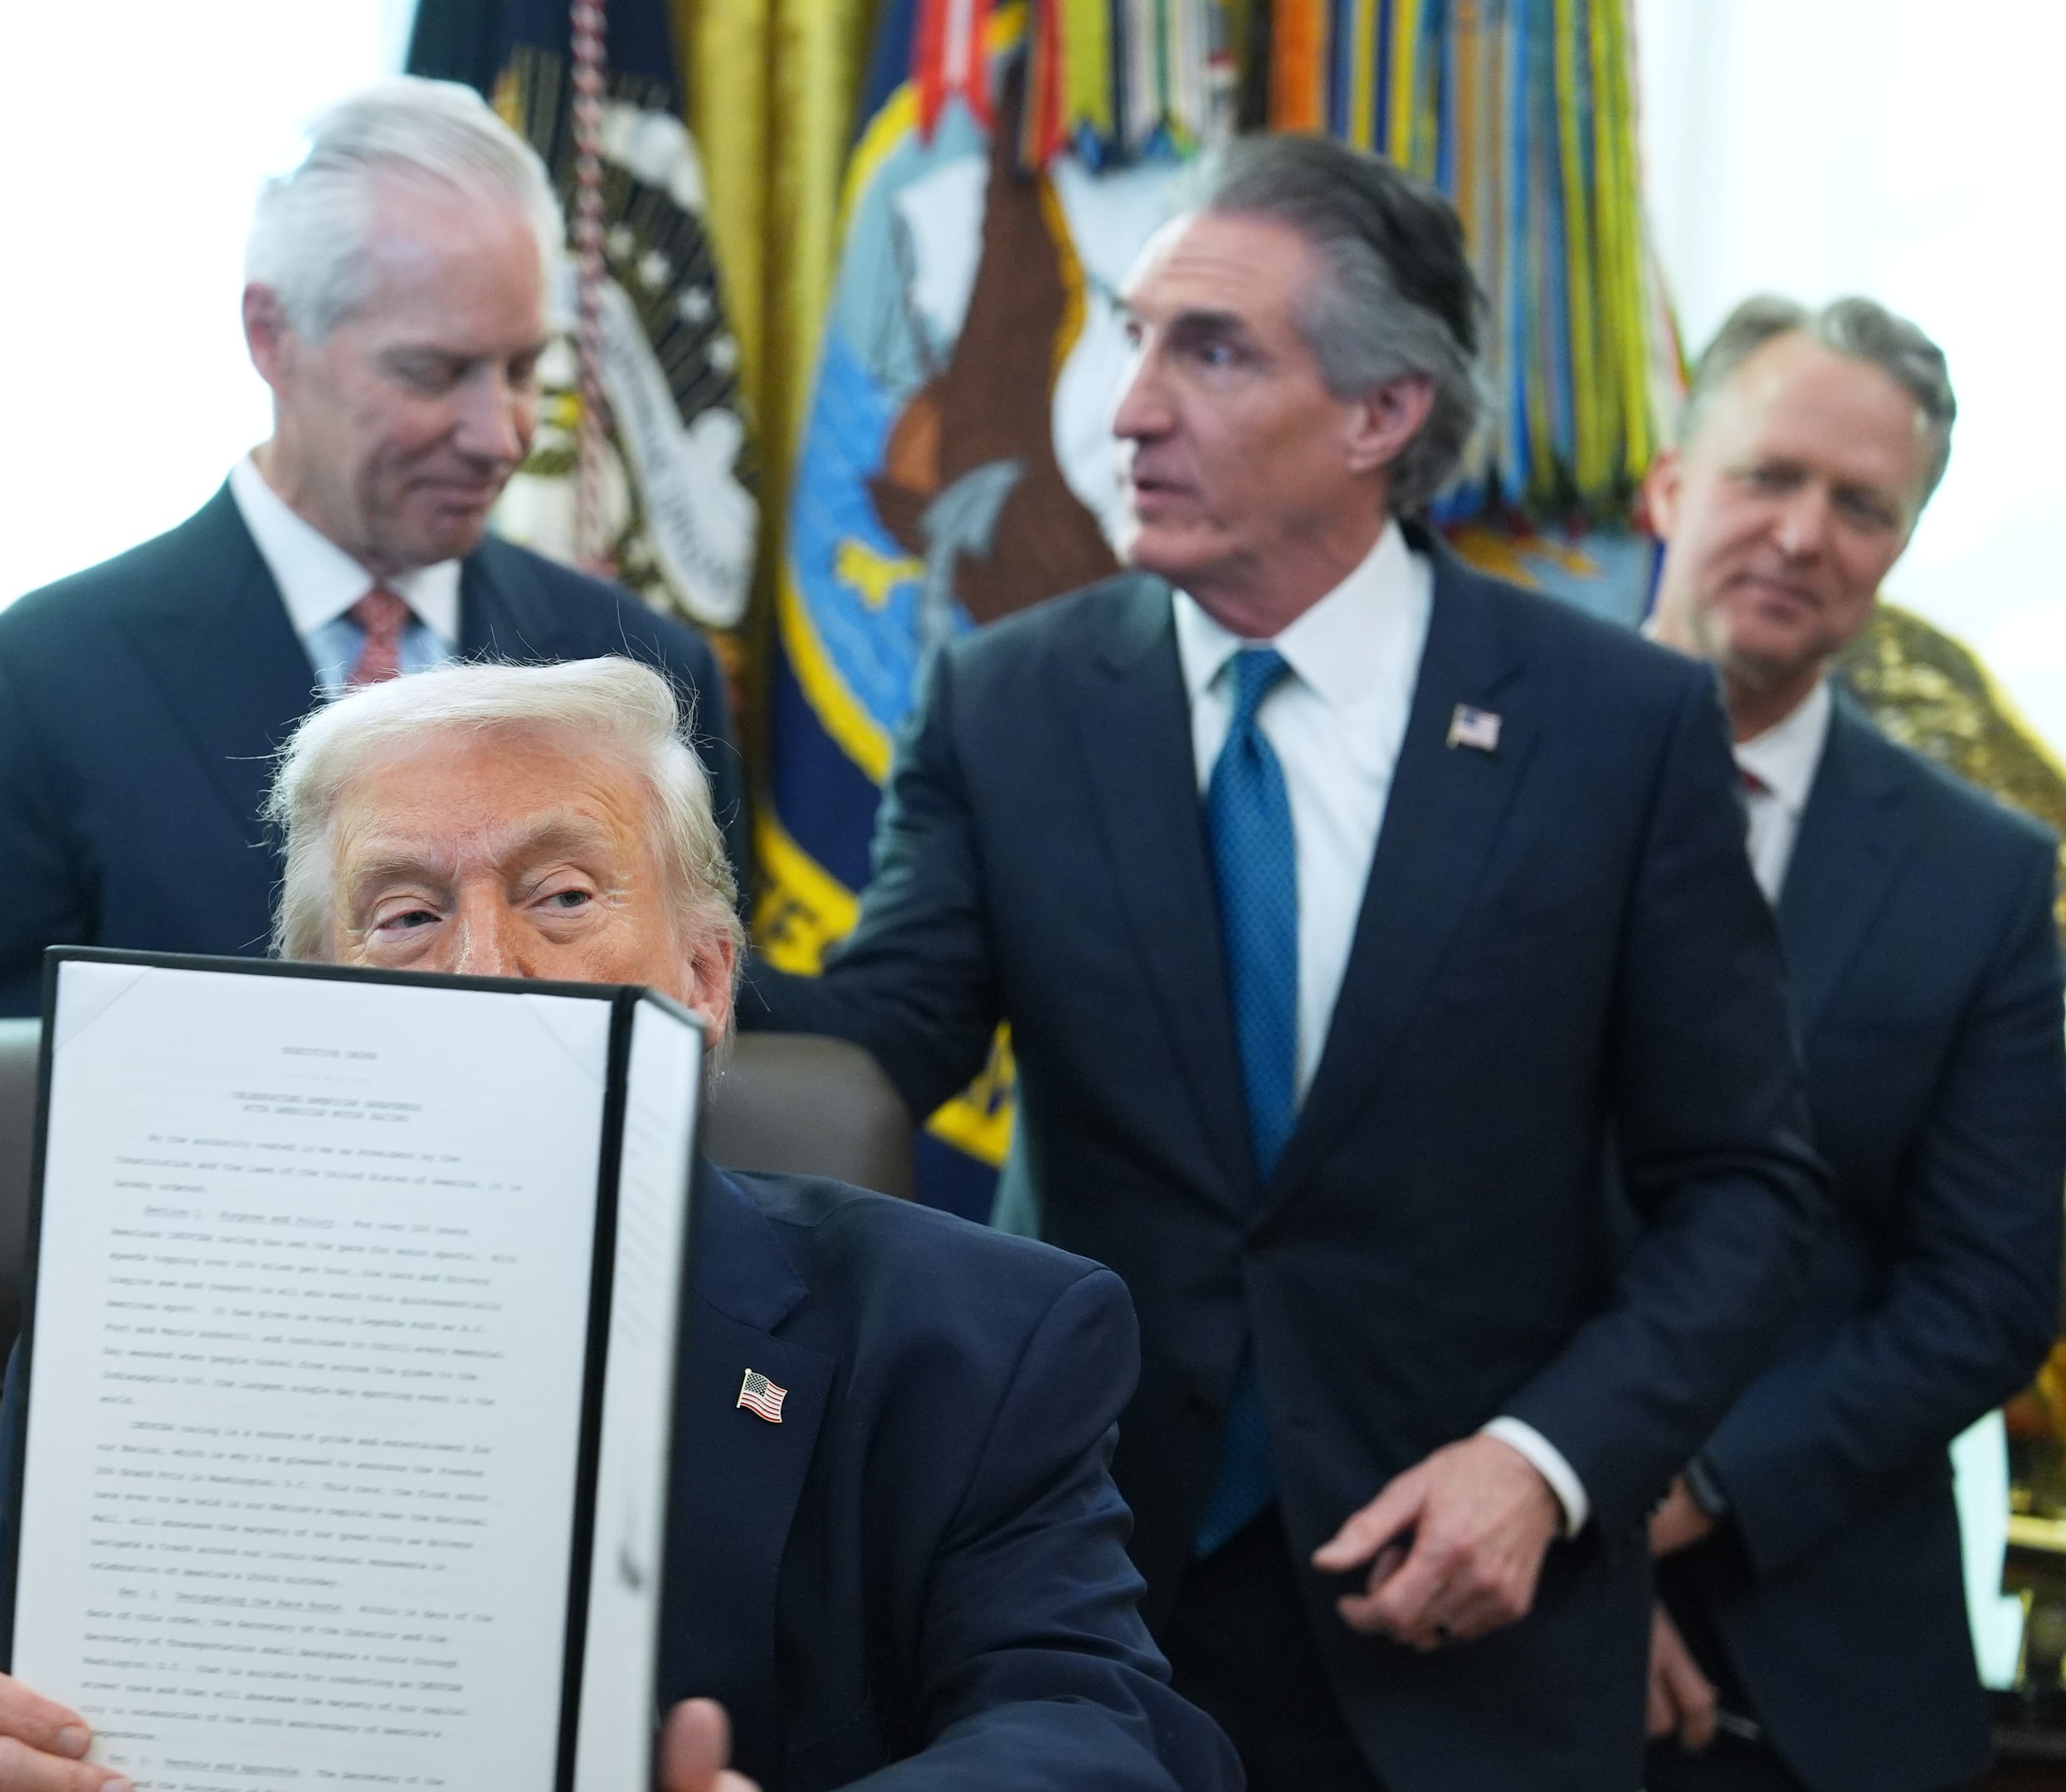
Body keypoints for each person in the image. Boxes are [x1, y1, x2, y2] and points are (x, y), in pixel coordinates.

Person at [743, 133, 1826, 1791]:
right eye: (1131, 335)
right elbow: (884, 1042)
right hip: (1081, 1617)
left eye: (1213, 350)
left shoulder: (1615, 727)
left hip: (1468, 1628)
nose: (1125, 411)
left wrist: (1546, 1465)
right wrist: (626, 951)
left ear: (1382, 414)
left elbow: (1743, 1188)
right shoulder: (1007, 699)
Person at [0, 659, 1241, 1792]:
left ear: (706, 982)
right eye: (408, 916)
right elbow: (33, 1734)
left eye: (561, 898)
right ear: (317, 999)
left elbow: (1094, 1738)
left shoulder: (979, 1344)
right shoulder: (138, 1363)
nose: (485, 968)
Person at [0, 76, 741, 1023]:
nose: (500, 433)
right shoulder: (38, 685)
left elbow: (709, 1031)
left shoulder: (631, 669)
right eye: (433, 372)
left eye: (521, 368)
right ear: (272, 336)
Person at [1635, 295, 2064, 1791]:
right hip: (1434, 1614)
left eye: (1863, 506)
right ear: (1670, 484)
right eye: (1769, 477)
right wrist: (1551, 1523)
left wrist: (1678, 1497)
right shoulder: (1457, 764)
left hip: (1815, 1668)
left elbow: (1991, 1290)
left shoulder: (1985, 877)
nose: (1807, 536)